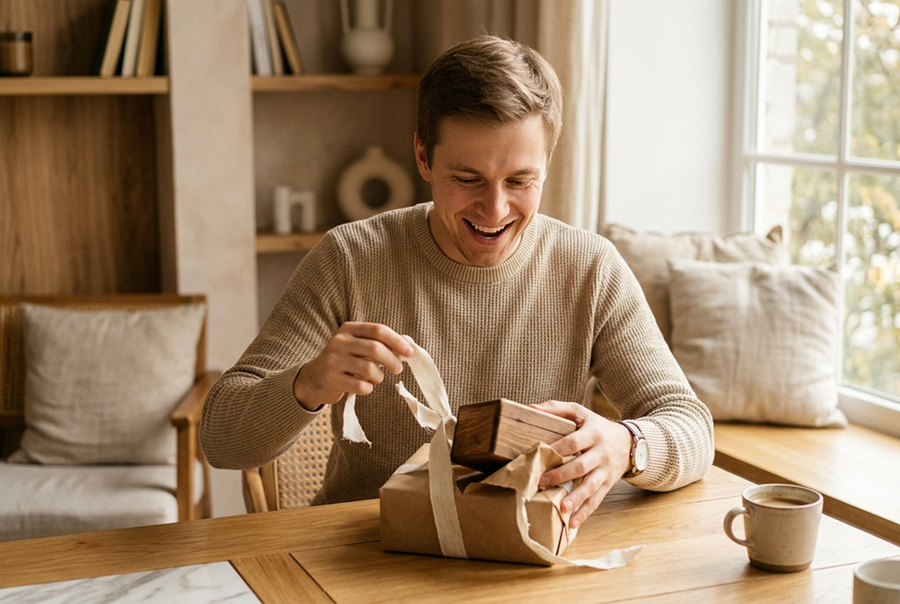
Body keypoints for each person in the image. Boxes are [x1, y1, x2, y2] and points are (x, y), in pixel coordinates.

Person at [200, 35, 714, 529]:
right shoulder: (349, 259)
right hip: (367, 550)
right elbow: (221, 439)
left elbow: (690, 425)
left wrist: (629, 444)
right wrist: (307, 383)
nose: (494, 210)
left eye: (520, 181)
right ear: (423, 157)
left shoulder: (591, 269)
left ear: (547, 166)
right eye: (467, 179)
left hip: (520, 549)